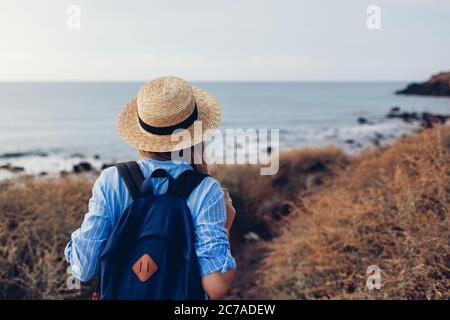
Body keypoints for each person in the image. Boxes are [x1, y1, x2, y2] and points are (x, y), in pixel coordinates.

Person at [65, 76, 236, 299]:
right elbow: (216, 287)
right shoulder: (207, 190)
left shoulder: (112, 180)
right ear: (196, 132)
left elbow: (83, 268)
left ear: (142, 133)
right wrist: (227, 226)